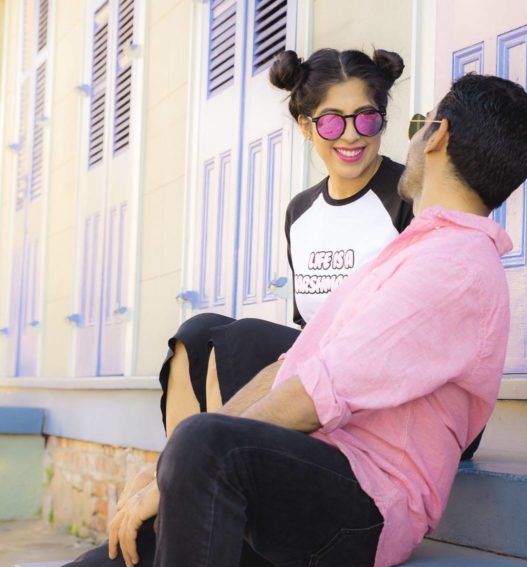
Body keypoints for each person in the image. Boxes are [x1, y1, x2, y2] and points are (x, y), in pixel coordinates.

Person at [0, 72, 527, 567]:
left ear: (438, 135)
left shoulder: (456, 265)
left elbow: (315, 396)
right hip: (299, 480)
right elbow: (287, 368)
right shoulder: (413, 251)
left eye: (420, 122)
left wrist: (179, 468)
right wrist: (175, 470)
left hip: (364, 508)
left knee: (205, 442)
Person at [160, 47, 412, 438]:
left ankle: (208, 462)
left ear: (382, 120)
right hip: (315, 372)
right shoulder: (301, 211)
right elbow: (307, 325)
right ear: (305, 126)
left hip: (375, 378)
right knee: (197, 332)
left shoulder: (408, 196)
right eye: (331, 122)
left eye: (366, 118)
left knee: (242, 338)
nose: (351, 135)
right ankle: (176, 469)